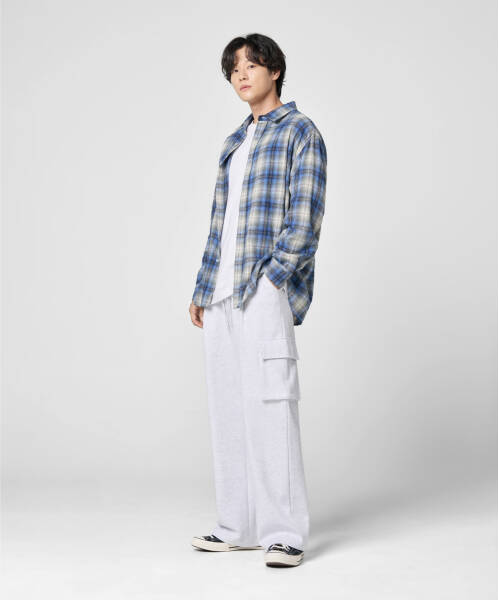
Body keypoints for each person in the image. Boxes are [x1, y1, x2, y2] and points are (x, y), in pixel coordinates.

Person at [188, 33, 327, 568]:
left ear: (274, 70)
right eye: (234, 69)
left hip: (262, 289)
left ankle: (284, 532)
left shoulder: (300, 131)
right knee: (228, 408)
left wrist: (274, 279)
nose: (241, 74)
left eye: (252, 64)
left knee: (271, 405)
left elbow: (305, 217)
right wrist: (203, 287)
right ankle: (237, 525)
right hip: (221, 293)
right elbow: (219, 224)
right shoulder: (233, 142)